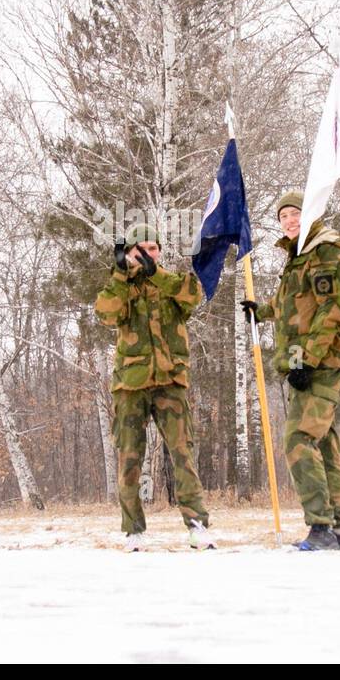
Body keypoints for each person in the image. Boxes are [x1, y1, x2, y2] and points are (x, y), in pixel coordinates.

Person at [242, 191, 340, 551]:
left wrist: (307, 358)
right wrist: (258, 311)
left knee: (298, 439)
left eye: (296, 214)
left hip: (323, 363)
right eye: (284, 217)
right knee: (323, 445)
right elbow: (289, 307)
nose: (290, 221)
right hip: (303, 364)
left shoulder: (326, 252)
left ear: (311, 215)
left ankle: (320, 528)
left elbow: (334, 311)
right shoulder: (297, 259)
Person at [93, 222, 214, 552]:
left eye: (154, 248)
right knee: (130, 457)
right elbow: (105, 313)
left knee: (182, 453)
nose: (149, 253)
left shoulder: (171, 283)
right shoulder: (121, 286)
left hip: (170, 382)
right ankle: (134, 530)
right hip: (130, 385)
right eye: (141, 248)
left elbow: (193, 295)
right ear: (130, 252)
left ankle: (197, 525)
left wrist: (155, 273)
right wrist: (122, 275)